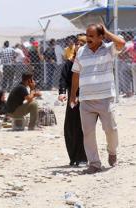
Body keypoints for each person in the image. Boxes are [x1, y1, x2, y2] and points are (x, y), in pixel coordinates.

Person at [70, 24, 126, 174]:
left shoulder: (108, 49)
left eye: (92, 36)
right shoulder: (81, 51)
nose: (88, 38)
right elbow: (76, 74)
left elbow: (121, 43)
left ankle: (112, 151)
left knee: (110, 129)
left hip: (105, 98)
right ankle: (94, 163)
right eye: (87, 35)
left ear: (101, 37)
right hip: (86, 100)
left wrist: (106, 32)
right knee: (88, 132)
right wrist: (73, 95)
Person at [58, 35, 87, 166]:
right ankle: (73, 157)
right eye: (77, 43)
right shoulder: (69, 63)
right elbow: (63, 79)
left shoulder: (90, 62)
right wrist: (62, 93)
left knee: (84, 128)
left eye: (82, 43)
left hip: (87, 99)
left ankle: (83, 157)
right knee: (70, 128)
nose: (78, 46)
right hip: (73, 99)